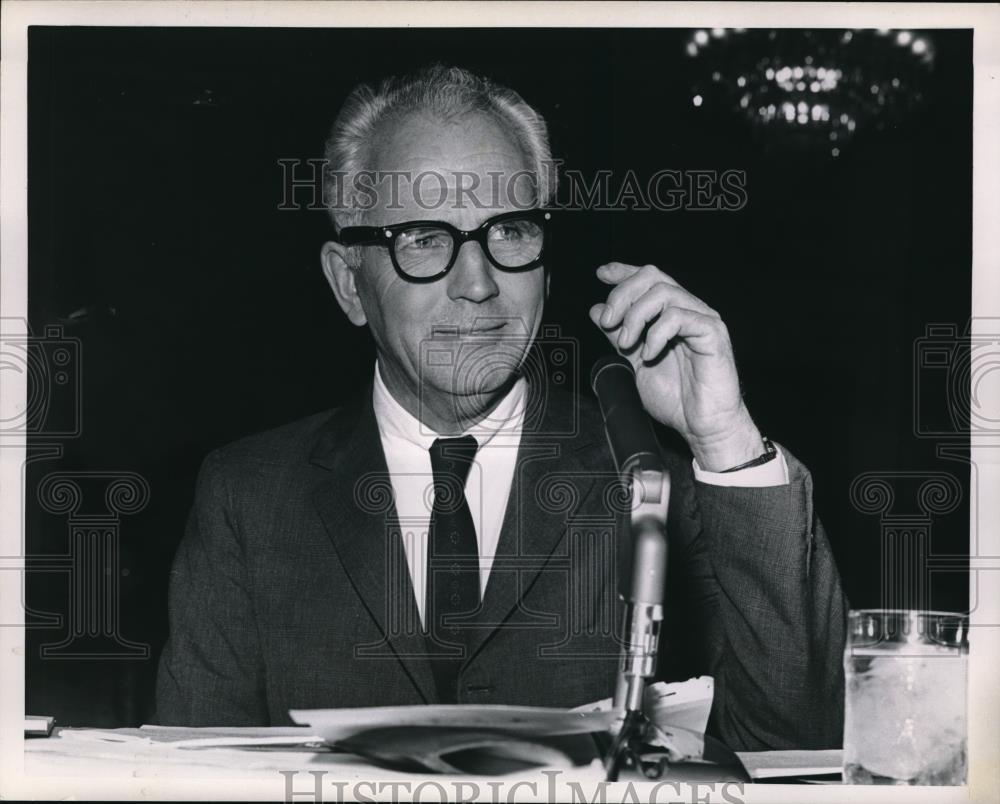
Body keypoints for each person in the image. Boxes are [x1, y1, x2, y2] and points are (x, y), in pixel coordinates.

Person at [155, 64, 847, 751]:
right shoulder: (248, 498)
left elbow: (798, 745)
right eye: (424, 239)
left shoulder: (653, 482)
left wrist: (724, 438)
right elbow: (188, 776)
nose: (480, 283)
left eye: (510, 230)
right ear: (348, 283)